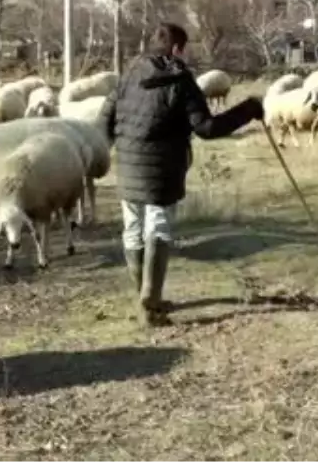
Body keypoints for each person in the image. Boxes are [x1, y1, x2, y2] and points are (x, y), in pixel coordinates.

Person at [100, 22, 265, 327]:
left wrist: (117, 148)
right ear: (176, 48)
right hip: (162, 169)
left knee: (133, 229)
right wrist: (248, 110)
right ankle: (151, 296)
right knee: (158, 226)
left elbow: (104, 119)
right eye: (184, 49)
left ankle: (145, 299)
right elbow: (207, 128)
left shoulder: (129, 74)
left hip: (128, 166)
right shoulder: (181, 79)